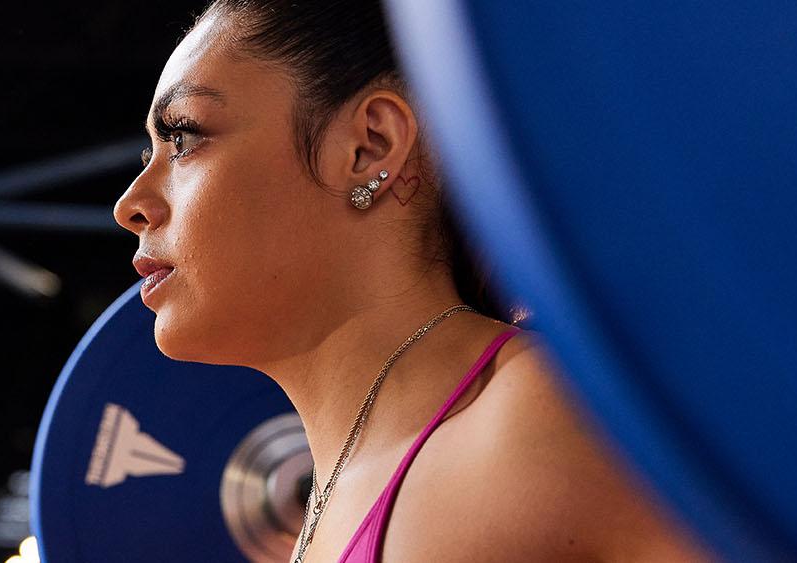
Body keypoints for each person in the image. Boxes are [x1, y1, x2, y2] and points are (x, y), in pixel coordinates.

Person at [111, 1, 711, 561]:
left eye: (184, 137)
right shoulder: (323, 511)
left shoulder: (546, 419)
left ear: (371, 146)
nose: (130, 204)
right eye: (149, 155)